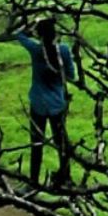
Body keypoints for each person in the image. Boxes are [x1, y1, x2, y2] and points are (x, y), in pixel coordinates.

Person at [15, 19, 76, 185]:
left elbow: (19, 35)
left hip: (38, 103)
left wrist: (30, 24)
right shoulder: (63, 50)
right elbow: (71, 75)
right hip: (57, 103)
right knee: (61, 142)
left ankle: (34, 181)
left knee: (36, 143)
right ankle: (66, 177)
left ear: (39, 35)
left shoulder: (36, 50)